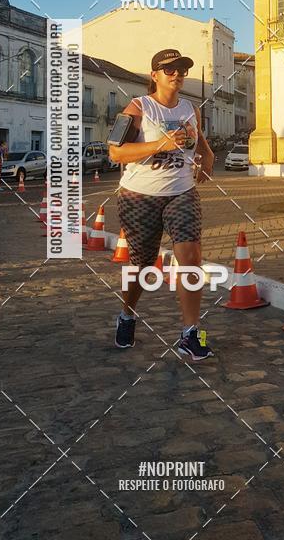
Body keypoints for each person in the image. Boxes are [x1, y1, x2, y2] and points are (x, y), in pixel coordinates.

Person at [109, 49, 215, 357]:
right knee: (143, 264)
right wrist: (160, 144)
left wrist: (207, 157)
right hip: (139, 195)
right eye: (169, 69)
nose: (177, 74)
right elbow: (115, 152)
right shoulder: (138, 107)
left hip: (181, 192)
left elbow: (199, 140)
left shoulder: (190, 109)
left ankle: (191, 333)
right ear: (154, 75)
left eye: (181, 69)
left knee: (191, 256)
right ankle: (127, 314)